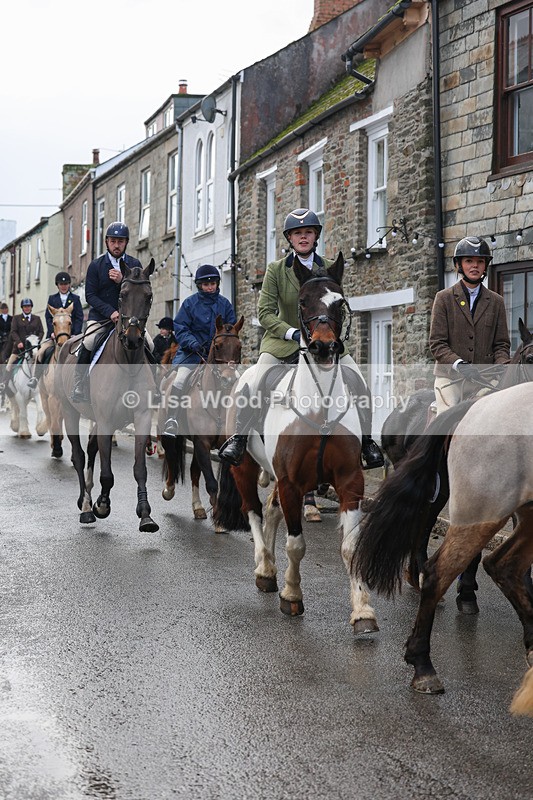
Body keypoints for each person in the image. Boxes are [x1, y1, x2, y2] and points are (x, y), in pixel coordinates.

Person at [218, 207, 384, 470]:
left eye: (308, 232)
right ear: (290, 239)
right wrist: (293, 333)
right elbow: (264, 312)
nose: (303, 237)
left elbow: (336, 305)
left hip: (326, 342)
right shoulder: (275, 270)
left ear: (315, 236)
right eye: (297, 233)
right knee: (257, 380)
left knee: (358, 381)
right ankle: (239, 438)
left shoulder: (329, 268)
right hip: (282, 343)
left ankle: (367, 442)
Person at [71, 221, 153, 403]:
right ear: (107, 241)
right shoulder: (96, 265)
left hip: (129, 320)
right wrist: (111, 313)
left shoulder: (135, 264)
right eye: (113, 241)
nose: (117, 245)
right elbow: (90, 296)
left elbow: (139, 292)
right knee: (89, 342)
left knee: (150, 344)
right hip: (102, 319)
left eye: (121, 241)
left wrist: (122, 280)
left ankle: (153, 386)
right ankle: (80, 384)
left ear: (126, 242)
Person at [429, 235, 510, 415]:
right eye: (469, 261)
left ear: (485, 266)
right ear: (459, 265)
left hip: (486, 379)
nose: (474, 266)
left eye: (480, 261)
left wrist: (503, 365)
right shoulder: (444, 298)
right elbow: (437, 343)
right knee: (445, 418)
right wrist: (459, 364)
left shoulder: (496, 301)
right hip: (451, 379)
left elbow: (501, 344)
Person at [163, 265, 236, 436]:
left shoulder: (225, 304)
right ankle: (172, 419)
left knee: (236, 380)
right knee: (180, 379)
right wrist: (193, 343)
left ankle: (235, 424)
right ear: (199, 285)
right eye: (206, 284)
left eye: (213, 283)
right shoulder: (190, 303)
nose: (210, 287)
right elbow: (180, 328)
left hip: (218, 357)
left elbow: (230, 329)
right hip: (192, 353)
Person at [36, 271, 84, 364]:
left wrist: (76, 333)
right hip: (55, 336)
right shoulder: (52, 299)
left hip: (72, 335)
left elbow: (79, 317)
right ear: (57, 285)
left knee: (84, 352)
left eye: (66, 284)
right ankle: (36, 377)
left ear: (69, 284)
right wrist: (52, 332)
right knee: (41, 352)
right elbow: (48, 317)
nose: (63, 286)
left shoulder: (75, 299)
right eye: (61, 284)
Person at [4, 298, 44, 393]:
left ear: (31, 307)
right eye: (25, 307)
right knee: (9, 365)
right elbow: (13, 331)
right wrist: (18, 342)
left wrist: (37, 341)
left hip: (34, 349)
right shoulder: (16, 318)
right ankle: (4, 384)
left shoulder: (37, 319)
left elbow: (41, 332)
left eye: (28, 306)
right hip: (19, 349)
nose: (27, 308)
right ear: (22, 308)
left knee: (43, 362)